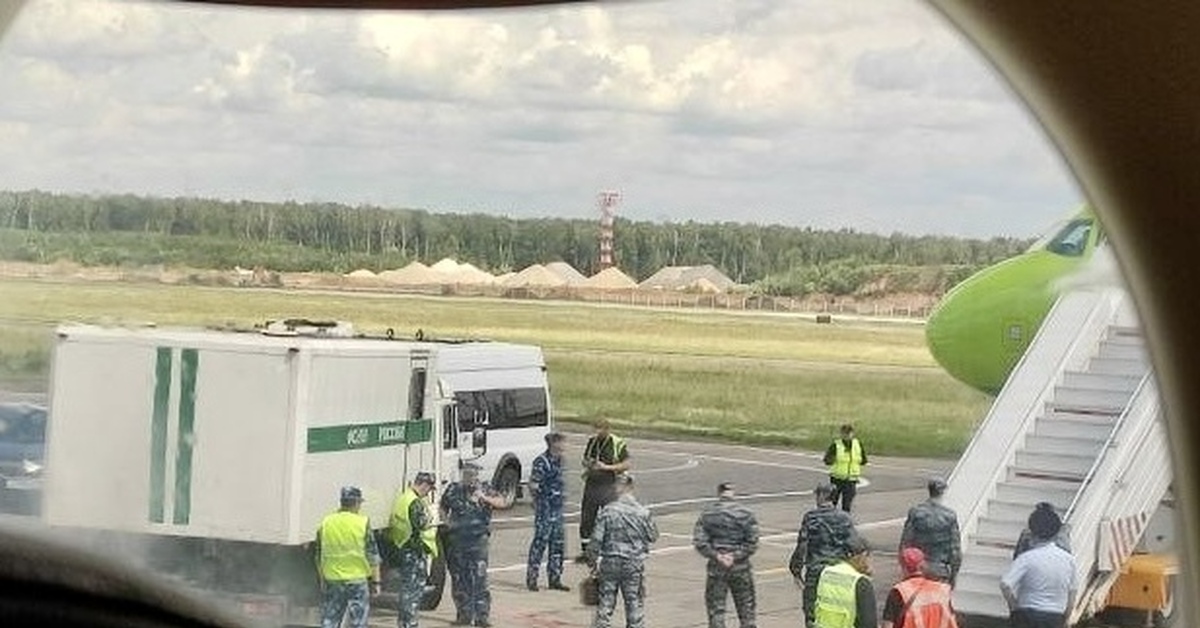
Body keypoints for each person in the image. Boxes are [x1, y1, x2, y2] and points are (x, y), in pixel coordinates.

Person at [441, 462, 510, 627]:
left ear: (478, 475)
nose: (470, 478)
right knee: (459, 579)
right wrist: (446, 522)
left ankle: (482, 617)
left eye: (473, 475)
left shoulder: (485, 489)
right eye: (467, 474)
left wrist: (484, 498)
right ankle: (463, 615)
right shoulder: (453, 489)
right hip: (457, 542)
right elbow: (443, 506)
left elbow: (503, 502)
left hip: (478, 542)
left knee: (479, 580)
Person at [587, 472, 658, 628]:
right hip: (633, 564)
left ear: (618, 488)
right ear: (632, 487)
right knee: (633, 603)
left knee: (605, 603)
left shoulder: (608, 510)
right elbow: (653, 536)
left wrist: (592, 562)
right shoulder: (643, 512)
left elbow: (596, 541)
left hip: (610, 562)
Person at [789, 483, 860, 628]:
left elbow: (802, 545)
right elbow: (855, 546)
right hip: (838, 571)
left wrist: (795, 570)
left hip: (816, 570)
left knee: (812, 613)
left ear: (822, 496)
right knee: (839, 610)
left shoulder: (811, 517)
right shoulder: (844, 518)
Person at [692, 481, 760, 628]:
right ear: (733, 493)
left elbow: (700, 542)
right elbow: (752, 543)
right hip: (740, 567)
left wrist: (717, 556)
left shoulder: (708, 514)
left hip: (717, 567)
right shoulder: (746, 514)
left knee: (716, 611)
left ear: (719, 493)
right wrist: (735, 556)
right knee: (746, 610)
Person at [1000, 505, 1078, 628]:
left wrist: (1014, 607)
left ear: (1032, 531)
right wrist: (1065, 617)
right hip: (1055, 616)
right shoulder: (1069, 560)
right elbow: (1072, 592)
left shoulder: (1026, 558)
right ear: (1057, 531)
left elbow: (1005, 584)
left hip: (1027, 615)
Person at [314, 486, 382, 628]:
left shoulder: (327, 522)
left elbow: (318, 556)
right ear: (356, 503)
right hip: (356, 580)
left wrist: (322, 580)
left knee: (330, 619)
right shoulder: (362, 523)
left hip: (333, 579)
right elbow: (373, 555)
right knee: (358, 621)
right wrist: (376, 583)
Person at [576, 417, 631, 562]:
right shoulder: (592, 441)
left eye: (599, 429)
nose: (596, 432)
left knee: (609, 518)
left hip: (608, 485)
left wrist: (606, 467)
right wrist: (589, 464)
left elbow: (626, 464)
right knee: (587, 519)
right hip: (592, 484)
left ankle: (611, 550)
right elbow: (585, 459)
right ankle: (586, 551)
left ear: (607, 429)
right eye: (595, 429)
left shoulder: (617, 443)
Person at [389, 471, 439, 628]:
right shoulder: (415, 502)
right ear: (424, 484)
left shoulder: (403, 498)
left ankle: (404, 622)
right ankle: (410, 623)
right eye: (429, 488)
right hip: (414, 551)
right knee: (413, 591)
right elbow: (422, 524)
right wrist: (432, 520)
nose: (428, 492)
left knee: (406, 590)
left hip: (402, 546)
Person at [527, 431, 570, 592]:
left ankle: (555, 578)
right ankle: (532, 578)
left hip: (557, 509)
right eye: (561, 443)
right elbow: (533, 485)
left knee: (557, 544)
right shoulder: (541, 462)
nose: (563, 446)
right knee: (540, 543)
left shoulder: (560, 461)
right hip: (545, 509)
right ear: (553, 444)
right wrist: (538, 502)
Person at [899, 477, 962, 585]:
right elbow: (955, 552)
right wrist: (953, 576)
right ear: (943, 492)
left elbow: (905, 544)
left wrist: (905, 569)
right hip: (940, 569)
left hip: (918, 568)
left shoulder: (915, 512)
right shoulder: (950, 516)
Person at [880, 547, 958, 628]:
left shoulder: (899, 592)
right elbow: (951, 622)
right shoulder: (942, 591)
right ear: (922, 564)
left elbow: (887, 625)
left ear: (903, 567)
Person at [812, 535, 877, 628]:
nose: (869, 561)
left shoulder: (826, 573)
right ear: (859, 556)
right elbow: (869, 624)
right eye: (867, 556)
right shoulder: (861, 582)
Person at [823, 424, 867, 513]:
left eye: (848, 433)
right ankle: (829, 520)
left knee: (847, 505)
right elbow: (827, 460)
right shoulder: (836, 445)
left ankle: (844, 523)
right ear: (841, 434)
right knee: (832, 503)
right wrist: (832, 459)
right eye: (844, 433)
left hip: (851, 479)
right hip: (837, 478)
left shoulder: (857, 444)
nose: (846, 436)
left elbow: (863, 460)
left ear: (852, 434)